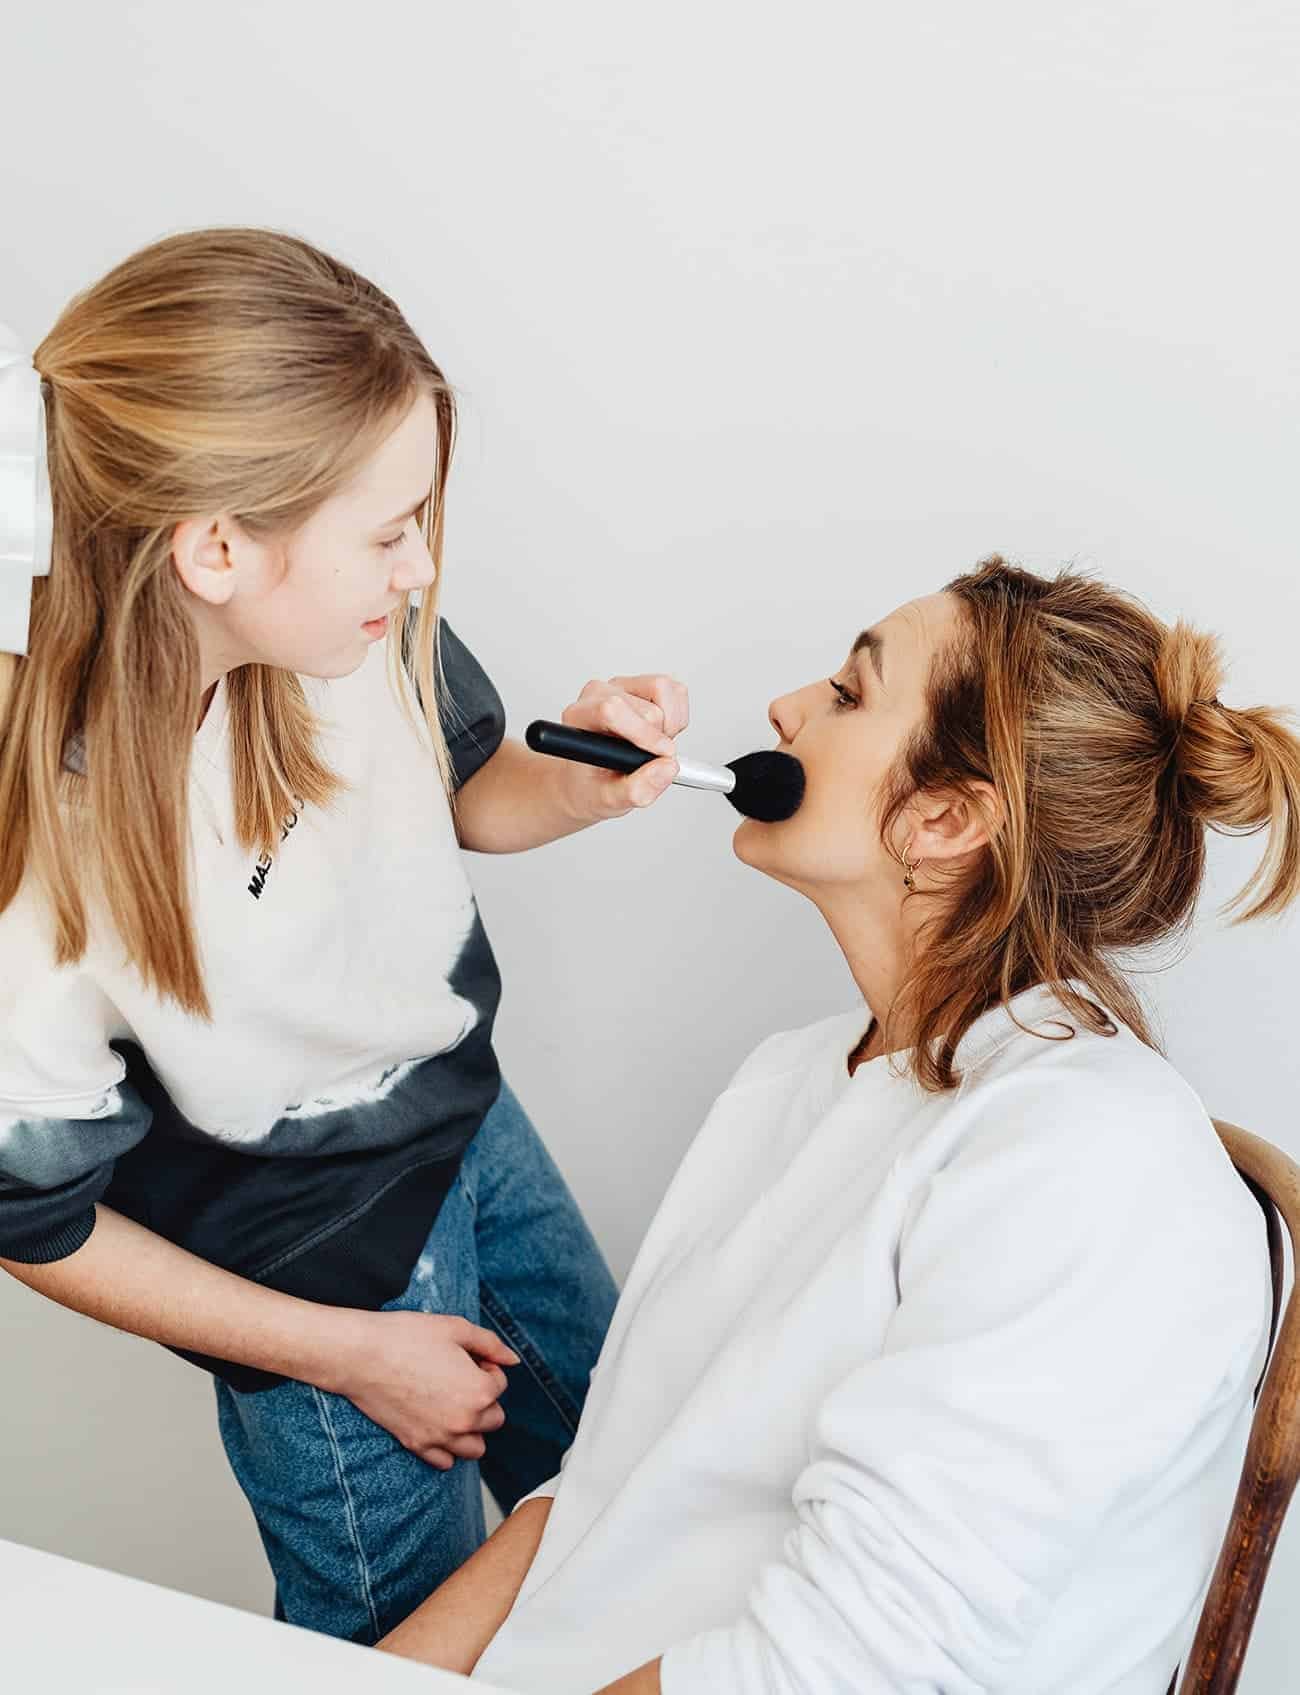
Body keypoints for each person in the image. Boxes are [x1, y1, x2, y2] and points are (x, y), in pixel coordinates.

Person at [377, 557, 1300, 1694]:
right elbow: (602, 1492)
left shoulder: (1090, 1166)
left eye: (849, 694)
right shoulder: (800, 1076)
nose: (784, 709)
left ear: (946, 818)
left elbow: (843, 1666)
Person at [0, 228, 691, 1642]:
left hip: (466, 1128)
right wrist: (358, 1356)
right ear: (213, 548)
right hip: (309, 1280)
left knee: (644, 1489)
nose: (421, 562)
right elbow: (30, 1223)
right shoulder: (39, 857)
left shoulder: (341, 635)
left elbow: (452, 801)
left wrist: (572, 783)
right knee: (405, 1641)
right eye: (388, 530)